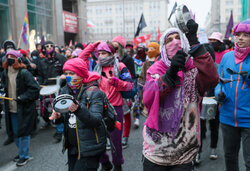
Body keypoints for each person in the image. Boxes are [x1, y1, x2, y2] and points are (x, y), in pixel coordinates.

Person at [142, 19, 219, 170]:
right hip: (156, 151)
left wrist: (194, 42)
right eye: (169, 40)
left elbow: (211, 79)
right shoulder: (155, 69)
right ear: (163, 47)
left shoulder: (194, 68)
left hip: (184, 151)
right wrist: (169, 74)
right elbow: (148, 99)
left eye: (178, 38)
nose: (175, 42)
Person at [49, 57, 106, 171]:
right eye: (66, 73)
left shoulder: (94, 92)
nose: (69, 76)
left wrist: (78, 109)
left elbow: (96, 120)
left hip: (89, 148)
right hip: (73, 147)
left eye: (72, 73)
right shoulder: (65, 90)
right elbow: (67, 117)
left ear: (81, 74)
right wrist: (59, 116)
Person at [215, 19, 250, 171]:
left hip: (248, 119)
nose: (240, 38)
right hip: (227, 117)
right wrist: (218, 94)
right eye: (238, 34)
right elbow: (218, 82)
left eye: (245, 35)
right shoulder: (226, 57)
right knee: (230, 157)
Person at [94, 42, 133, 171]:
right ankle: (105, 162)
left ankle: (117, 165)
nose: (100, 56)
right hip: (99, 109)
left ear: (111, 53)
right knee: (97, 140)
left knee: (116, 142)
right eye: (99, 53)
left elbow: (130, 86)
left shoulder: (121, 66)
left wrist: (118, 83)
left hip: (115, 110)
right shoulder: (97, 67)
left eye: (103, 53)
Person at [1, 50, 40, 166]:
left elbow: (35, 90)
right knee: (15, 133)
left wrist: (22, 97)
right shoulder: (5, 73)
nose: (9, 59)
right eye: (8, 57)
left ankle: (24, 155)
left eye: (12, 57)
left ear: (18, 59)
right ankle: (22, 152)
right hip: (11, 109)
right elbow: (5, 87)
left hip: (24, 108)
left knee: (24, 133)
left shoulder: (24, 73)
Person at [37, 40, 66, 142]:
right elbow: (39, 75)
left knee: (58, 108)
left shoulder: (61, 58)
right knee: (44, 109)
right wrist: (39, 84)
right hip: (46, 89)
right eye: (47, 46)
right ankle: (48, 121)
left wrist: (64, 78)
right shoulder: (41, 62)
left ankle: (59, 131)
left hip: (59, 88)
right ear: (44, 49)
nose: (49, 47)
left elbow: (66, 71)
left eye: (51, 46)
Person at [112, 36, 136, 149]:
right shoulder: (108, 57)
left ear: (121, 47)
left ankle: (125, 136)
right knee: (112, 115)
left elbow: (132, 78)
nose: (114, 50)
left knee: (126, 114)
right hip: (112, 91)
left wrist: (130, 92)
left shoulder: (128, 59)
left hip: (124, 90)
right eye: (113, 47)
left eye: (116, 47)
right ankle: (113, 137)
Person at [139, 42, 160, 117]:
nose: (150, 51)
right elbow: (142, 76)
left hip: (159, 88)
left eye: (152, 49)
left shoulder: (160, 61)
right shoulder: (146, 63)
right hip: (148, 88)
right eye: (149, 49)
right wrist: (141, 86)